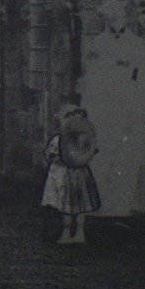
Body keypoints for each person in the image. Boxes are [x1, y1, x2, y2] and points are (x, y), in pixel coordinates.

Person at [43, 104, 102, 243]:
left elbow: (49, 155)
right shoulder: (70, 139)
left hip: (69, 177)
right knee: (77, 206)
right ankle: (72, 233)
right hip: (76, 175)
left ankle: (73, 233)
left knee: (69, 206)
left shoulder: (62, 139)